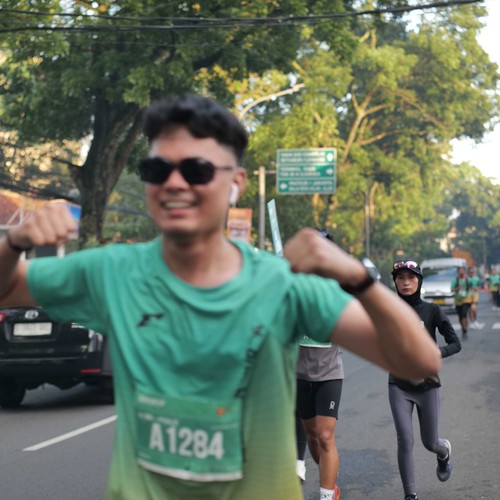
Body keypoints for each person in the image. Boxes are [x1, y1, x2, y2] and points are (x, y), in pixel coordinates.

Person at [0, 94, 441, 500]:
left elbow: (419, 362)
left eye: (196, 170)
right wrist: (14, 242)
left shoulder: (283, 285)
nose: (174, 183)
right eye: (158, 170)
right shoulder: (112, 271)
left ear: (236, 183)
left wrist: (357, 278)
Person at [390, 260, 462, 500]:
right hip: (398, 384)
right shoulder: (388, 311)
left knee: (430, 442)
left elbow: (455, 344)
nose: (406, 282)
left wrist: (435, 352)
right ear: (395, 282)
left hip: (427, 385)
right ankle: (410, 494)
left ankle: (443, 453)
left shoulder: (432, 311)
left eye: (411, 277)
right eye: (400, 278)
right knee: (404, 439)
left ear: (419, 281)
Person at [295, 230, 342, 500]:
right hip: (300, 374)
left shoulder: (337, 287)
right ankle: (329, 479)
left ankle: (327, 494)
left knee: (325, 436)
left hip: (330, 373)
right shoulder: (294, 285)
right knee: (313, 438)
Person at [451, 265, 471, 338]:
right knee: (460, 316)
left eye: (462, 271)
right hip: (458, 300)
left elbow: (472, 287)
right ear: (457, 272)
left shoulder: (467, 280)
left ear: (464, 271)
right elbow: (452, 289)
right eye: (460, 271)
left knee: (464, 315)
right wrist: (457, 288)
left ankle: (465, 330)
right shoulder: (455, 280)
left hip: (466, 299)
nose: (461, 272)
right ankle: (463, 329)